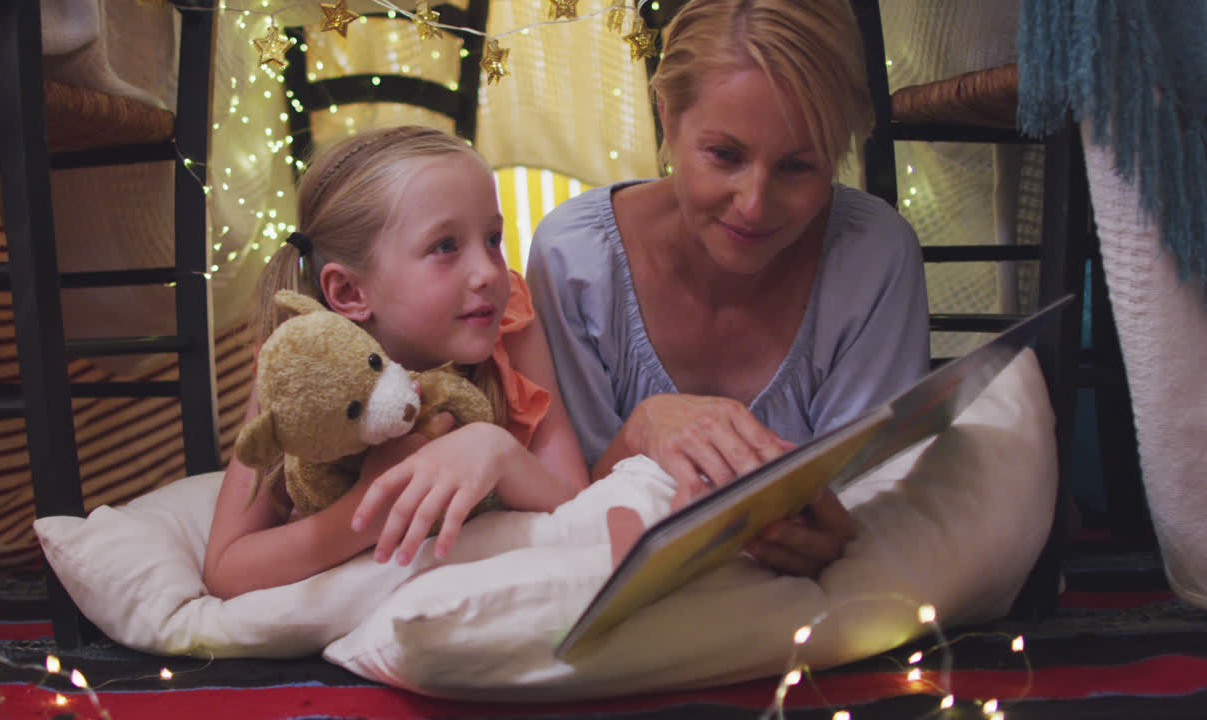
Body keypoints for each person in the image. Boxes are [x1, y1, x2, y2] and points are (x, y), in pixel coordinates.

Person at [527, 0, 930, 578]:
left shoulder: (873, 255)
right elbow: (566, 510)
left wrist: (842, 538)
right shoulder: (574, 259)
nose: (754, 203)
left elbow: (873, 493)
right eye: (725, 155)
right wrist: (643, 426)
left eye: (798, 167)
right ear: (667, 117)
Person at [203, 126, 590, 600]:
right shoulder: (302, 367)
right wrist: (367, 508)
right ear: (349, 292)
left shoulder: (509, 325)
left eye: (492, 238)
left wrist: (496, 453)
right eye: (445, 246)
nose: (489, 272)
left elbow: (579, 508)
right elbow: (226, 569)